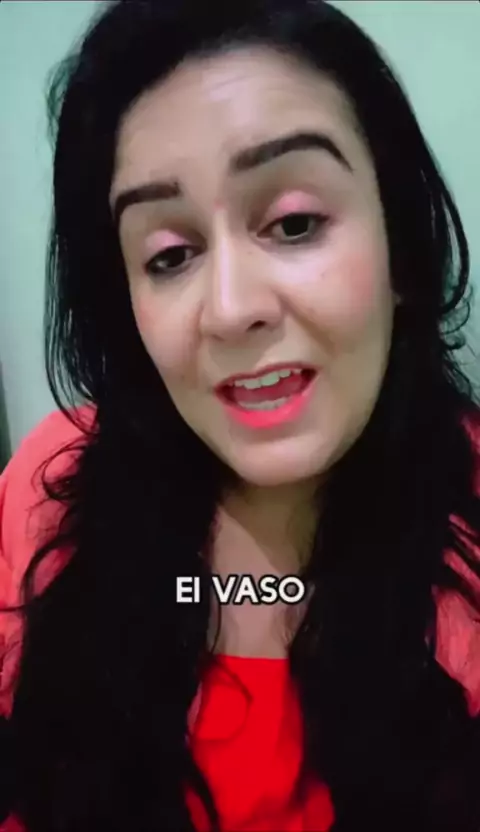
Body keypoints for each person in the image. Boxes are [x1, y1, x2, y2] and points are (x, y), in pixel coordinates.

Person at [0, 0, 479, 829]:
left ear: (400, 244)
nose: (229, 310)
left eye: (294, 223)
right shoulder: (49, 492)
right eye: (170, 256)